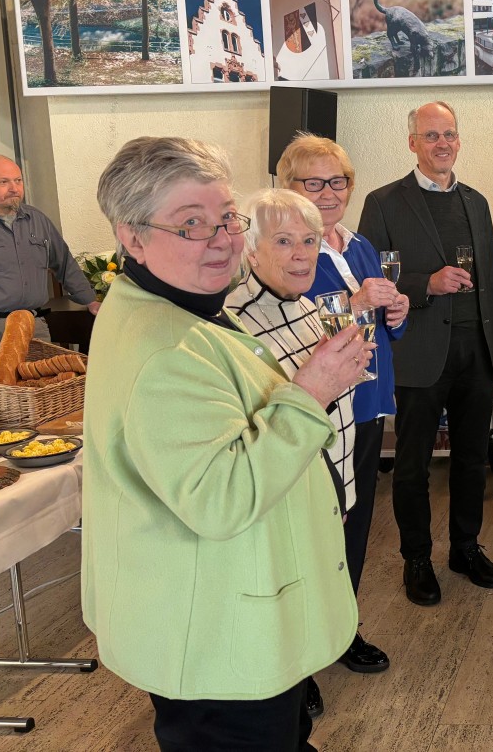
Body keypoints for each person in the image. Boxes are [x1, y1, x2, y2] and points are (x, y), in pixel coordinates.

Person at [83, 137, 369, 751]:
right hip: (217, 635)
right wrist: (312, 390)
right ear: (131, 237)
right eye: (191, 225)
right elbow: (222, 498)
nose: (222, 241)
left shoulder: (173, 305)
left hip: (231, 614)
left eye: (226, 219)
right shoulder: (165, 350)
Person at [358, 101, 493, 606]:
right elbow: (372, 277)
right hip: (418, 351)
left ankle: (465, 547)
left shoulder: (477, 202)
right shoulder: (383, 202)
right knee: (413, 465)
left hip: (476, 353)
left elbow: (490, 286)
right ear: (413, 143)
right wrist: (427, 284)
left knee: (471, 461)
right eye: (431, 135)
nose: (442, 143)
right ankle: (416, 559)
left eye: (449, 134)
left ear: (458, 141)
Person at [226, 188, 364, 721]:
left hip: (332, 483)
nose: (302, 253)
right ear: (251, 251)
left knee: (322, 584)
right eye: (283, 241)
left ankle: (315, 658)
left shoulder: (313, 308)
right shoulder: (234, 325)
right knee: (287, 596)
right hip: (284, 494)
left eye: (309, 240)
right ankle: (291, 683)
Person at [279, 135, 407, 682]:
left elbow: (378, 330)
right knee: (312, 532)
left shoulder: (360, 246)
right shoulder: (285, 252)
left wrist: (397, 314)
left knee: (354, 527)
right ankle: (300, 659)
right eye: (313, 182)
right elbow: (288, 337)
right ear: (288, 188)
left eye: (338, 181)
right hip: (318, 412)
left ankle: (343, 627)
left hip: (368, 403)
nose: (328, 193)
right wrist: (357, 305)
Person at [0, 153, 100, 342]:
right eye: (4, 182)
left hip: (35, 325)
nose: (14, 188)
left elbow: (64, 264)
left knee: (43, 372)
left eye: (18, 180)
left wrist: (90, 300)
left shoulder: (37, 220)